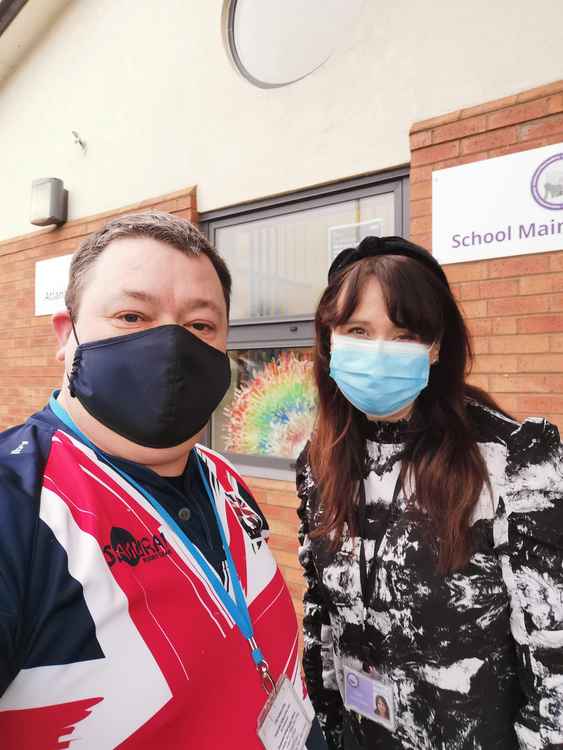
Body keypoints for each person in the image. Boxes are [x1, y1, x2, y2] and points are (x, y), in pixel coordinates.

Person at [0, 211, 327, 749]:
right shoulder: (19, 504)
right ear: (67, 335)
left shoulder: (221, 477)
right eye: (132, 316)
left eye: (201, 326)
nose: (172, 349)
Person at [297, 236, 563, 749]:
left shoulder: (513, 460)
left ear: (436, 346)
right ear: (329, 339)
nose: (378, 352)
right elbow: (320, 613)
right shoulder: (320, 461)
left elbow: (554, 657)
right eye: (357, 330)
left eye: (402, 336)